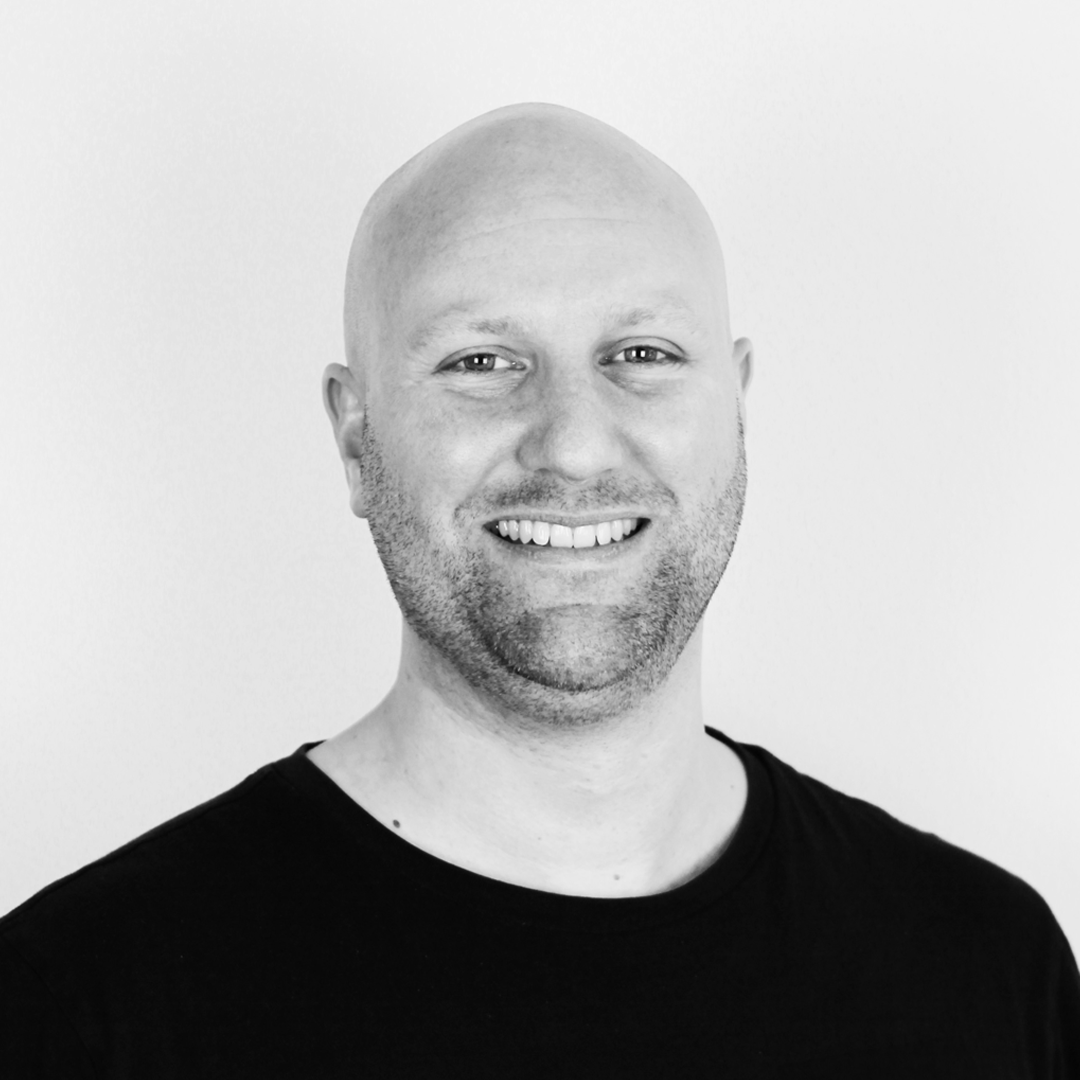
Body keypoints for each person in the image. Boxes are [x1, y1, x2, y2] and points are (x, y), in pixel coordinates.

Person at [1, 102, 1076, 1077]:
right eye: (481, 363)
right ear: (355, 437)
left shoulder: (988, 970)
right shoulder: (73, 1006)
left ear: (738, 407)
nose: (572, 444)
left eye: (643, 353)